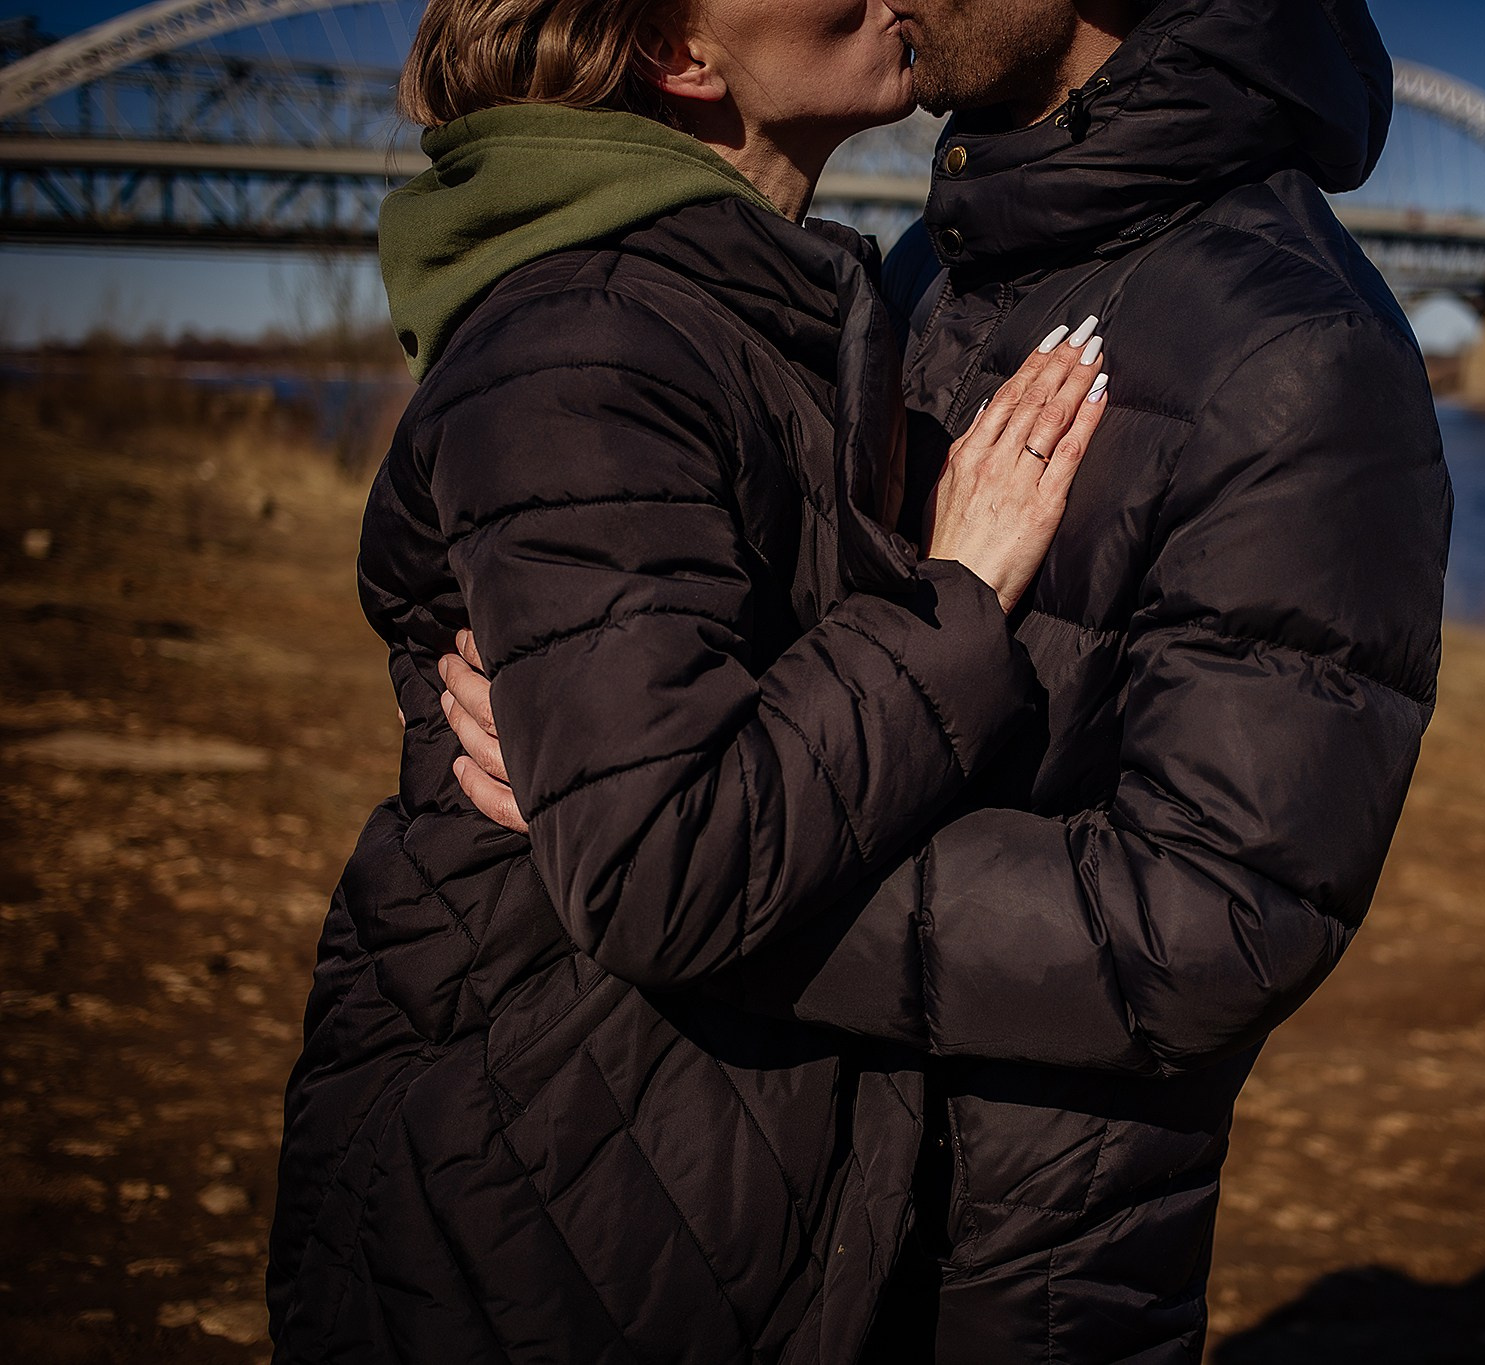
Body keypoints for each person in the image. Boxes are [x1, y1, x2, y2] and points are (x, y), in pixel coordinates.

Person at [441, 0, 1453, 1358]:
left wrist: (697, 868)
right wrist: (615, 758)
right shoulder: (923, 268)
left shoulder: (1297, 354)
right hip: (779, 1218)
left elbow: (1224, 910)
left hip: (1014, 1273)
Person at [264, 0, 1117, 1360]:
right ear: (680, 54)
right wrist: (954, 604)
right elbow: (659, 859)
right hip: (529, 1213)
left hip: (637, 1169)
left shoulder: (735, 320)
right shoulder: (581, 347)